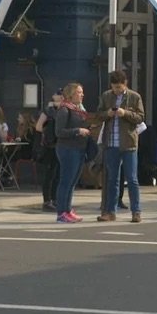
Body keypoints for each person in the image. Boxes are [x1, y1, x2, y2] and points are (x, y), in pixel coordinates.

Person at [95, 70, 146, 223]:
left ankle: (136, 211)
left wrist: (125, 113)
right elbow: (98, 114)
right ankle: (110, 211)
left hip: (129, 143)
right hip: (111, 143)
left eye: (119, 87)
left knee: (132, 179)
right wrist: (108, 114)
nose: (117, 90)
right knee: (112, 179)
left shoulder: (134, 97)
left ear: (125, 84)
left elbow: (140, 117)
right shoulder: (106, 96)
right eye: (114, 87)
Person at [53, 83, 92, 223]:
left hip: (79, 148)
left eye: (82, 92)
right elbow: (59, 132)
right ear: (70, 94)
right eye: (78, 92)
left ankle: (68, 209)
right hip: (68, 149)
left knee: (73, 181)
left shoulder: (78, 109)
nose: (82, 95)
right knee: (66, 181)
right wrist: (78, 131)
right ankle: (61, 212)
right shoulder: (64, 109)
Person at [35, 93, 64, 211]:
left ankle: (54, 199)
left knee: (57, 174)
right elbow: (38, 126)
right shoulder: (48, 110)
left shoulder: (64, 109)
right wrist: (47, 135)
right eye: (59, 94)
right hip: (50, 146)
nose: (61, 97)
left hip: (58, 145)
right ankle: (47, 201)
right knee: (50, 174)